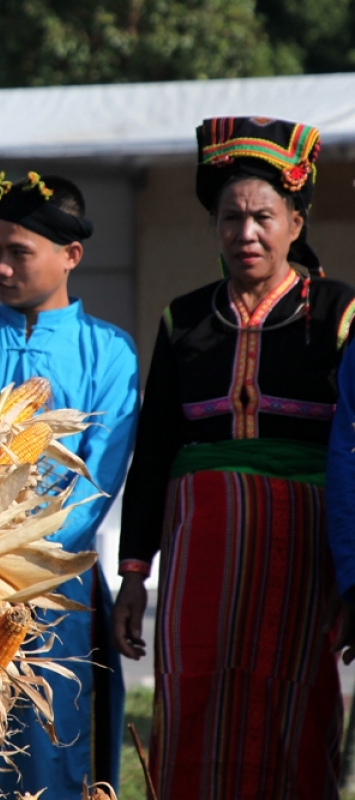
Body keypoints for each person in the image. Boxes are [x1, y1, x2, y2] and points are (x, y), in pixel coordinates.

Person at [116, 117, 355, 799]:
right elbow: (155, 448)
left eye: (262, 217)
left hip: (305, 548)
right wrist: (135, 574)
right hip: (202, 550)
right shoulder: (182, 319)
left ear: (296, 223)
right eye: (230, 218)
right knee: (194, 693)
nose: (245, 233)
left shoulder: (338, 313)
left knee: (296, 696)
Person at [0, 171, 138, 797]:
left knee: (53, 748)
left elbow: (97, 480)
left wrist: (18, 560)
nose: (0, 267)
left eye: (19, 253)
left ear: (71, 257)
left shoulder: (108, 354)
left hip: (55, 591)